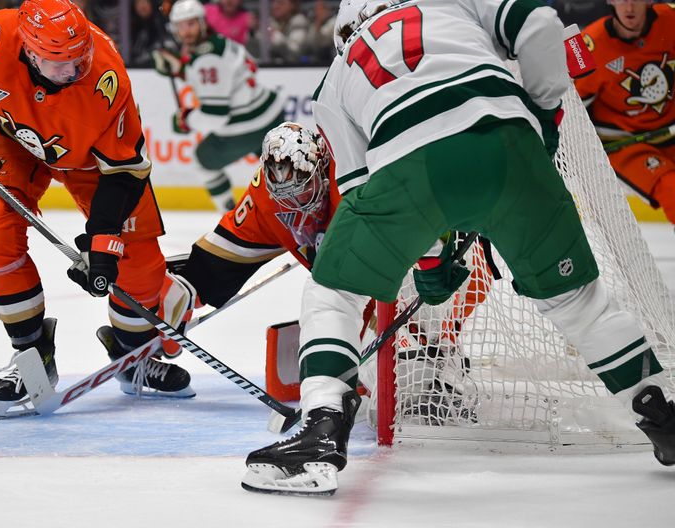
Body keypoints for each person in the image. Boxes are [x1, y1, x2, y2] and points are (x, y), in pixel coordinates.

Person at [241, 0, 675, 496]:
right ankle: (656, 408)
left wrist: (427, 258)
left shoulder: (336, 78)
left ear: (345, 28)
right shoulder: (450, 3)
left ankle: (320, 428)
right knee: (581, 303)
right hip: (515, 150)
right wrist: (544, 117)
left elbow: (364, 187)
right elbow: (542, 24)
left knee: (335, 294)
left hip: (411, 166)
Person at [0, 0, 195, 418]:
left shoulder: (106, 77)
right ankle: (32, 354)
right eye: (58, 65)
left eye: (78, 60)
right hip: (16, 143)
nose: (71, 72)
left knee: (138, 267)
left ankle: (133, 355)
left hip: (97, 166)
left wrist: (103, 238)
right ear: (29, 50)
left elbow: (126, 169)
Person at [171, 121, 483, 415]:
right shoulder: (267, 202)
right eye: (285, 198)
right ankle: (422, 373)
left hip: (436, 262)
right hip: (364, 287)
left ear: (321, 170)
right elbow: (217, 261)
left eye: (303, 192)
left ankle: (437, 370)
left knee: (396, 354)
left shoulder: (356, 174)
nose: (296, 206)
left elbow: (420, 222)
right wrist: (175, 295)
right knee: (370, 364)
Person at [152, 0, 285, 212]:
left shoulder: (206, 60)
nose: (186, 31)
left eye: (191, 24)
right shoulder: (219, 42)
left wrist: (186, 120)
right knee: (282, 173)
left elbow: (215, 115)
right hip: (270, 113)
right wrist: (183, 70)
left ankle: (230, 215)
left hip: (247, 125)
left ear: (202, 23)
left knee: (202, 160)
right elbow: (224, 78)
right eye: (181, 26)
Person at [575, 0, 675, 225]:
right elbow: (570, 107)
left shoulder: (670, 20)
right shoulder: (590, 46)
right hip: (627, 143)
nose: (629, 7)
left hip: (670, 130)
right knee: (671, 190)